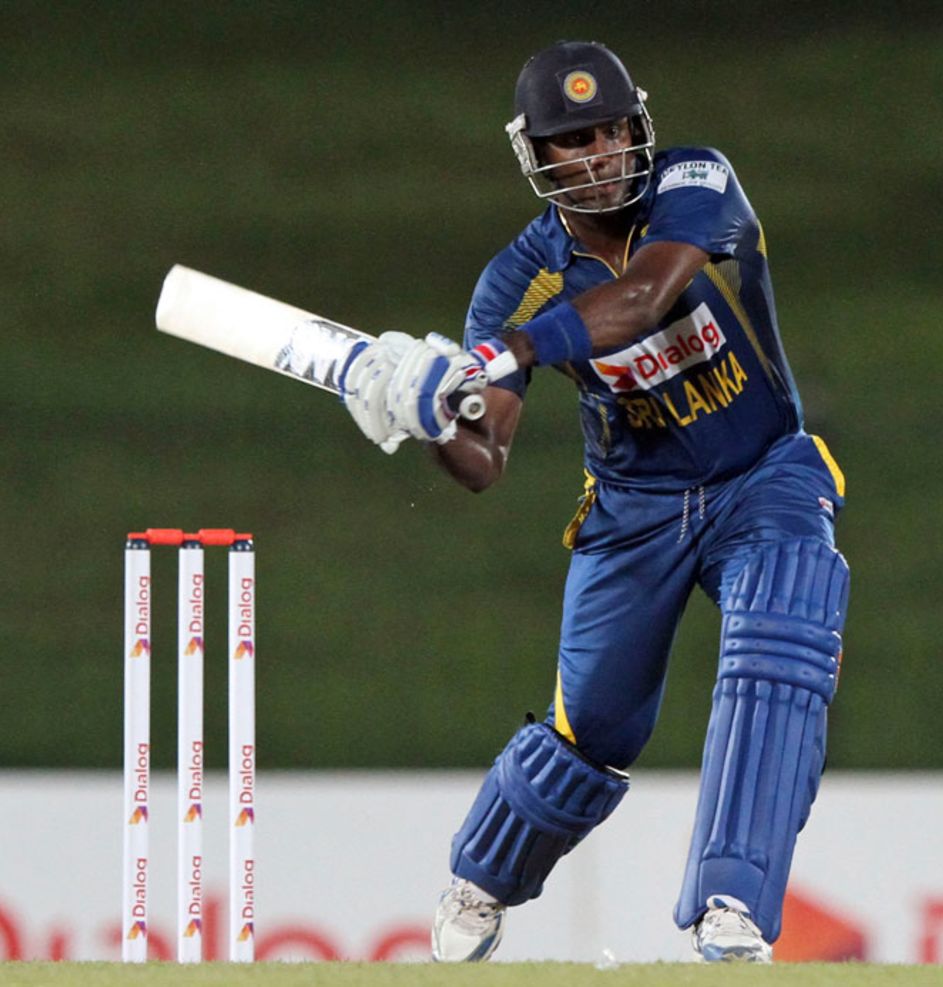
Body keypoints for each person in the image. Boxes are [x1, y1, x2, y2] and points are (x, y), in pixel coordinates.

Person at [340, 40, 849, 964]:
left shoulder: (695, 177)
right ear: (539, 156)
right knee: (595, 731)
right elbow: (485, 457)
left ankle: (731, 901)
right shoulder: (515, 282)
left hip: (761, 469)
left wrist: (513, 353)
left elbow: (649, 294)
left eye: (614, 129)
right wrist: (426, 418)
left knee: (784, 633)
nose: (605, 152)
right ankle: (483, 876)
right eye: (576, 140)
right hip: (632, 509)